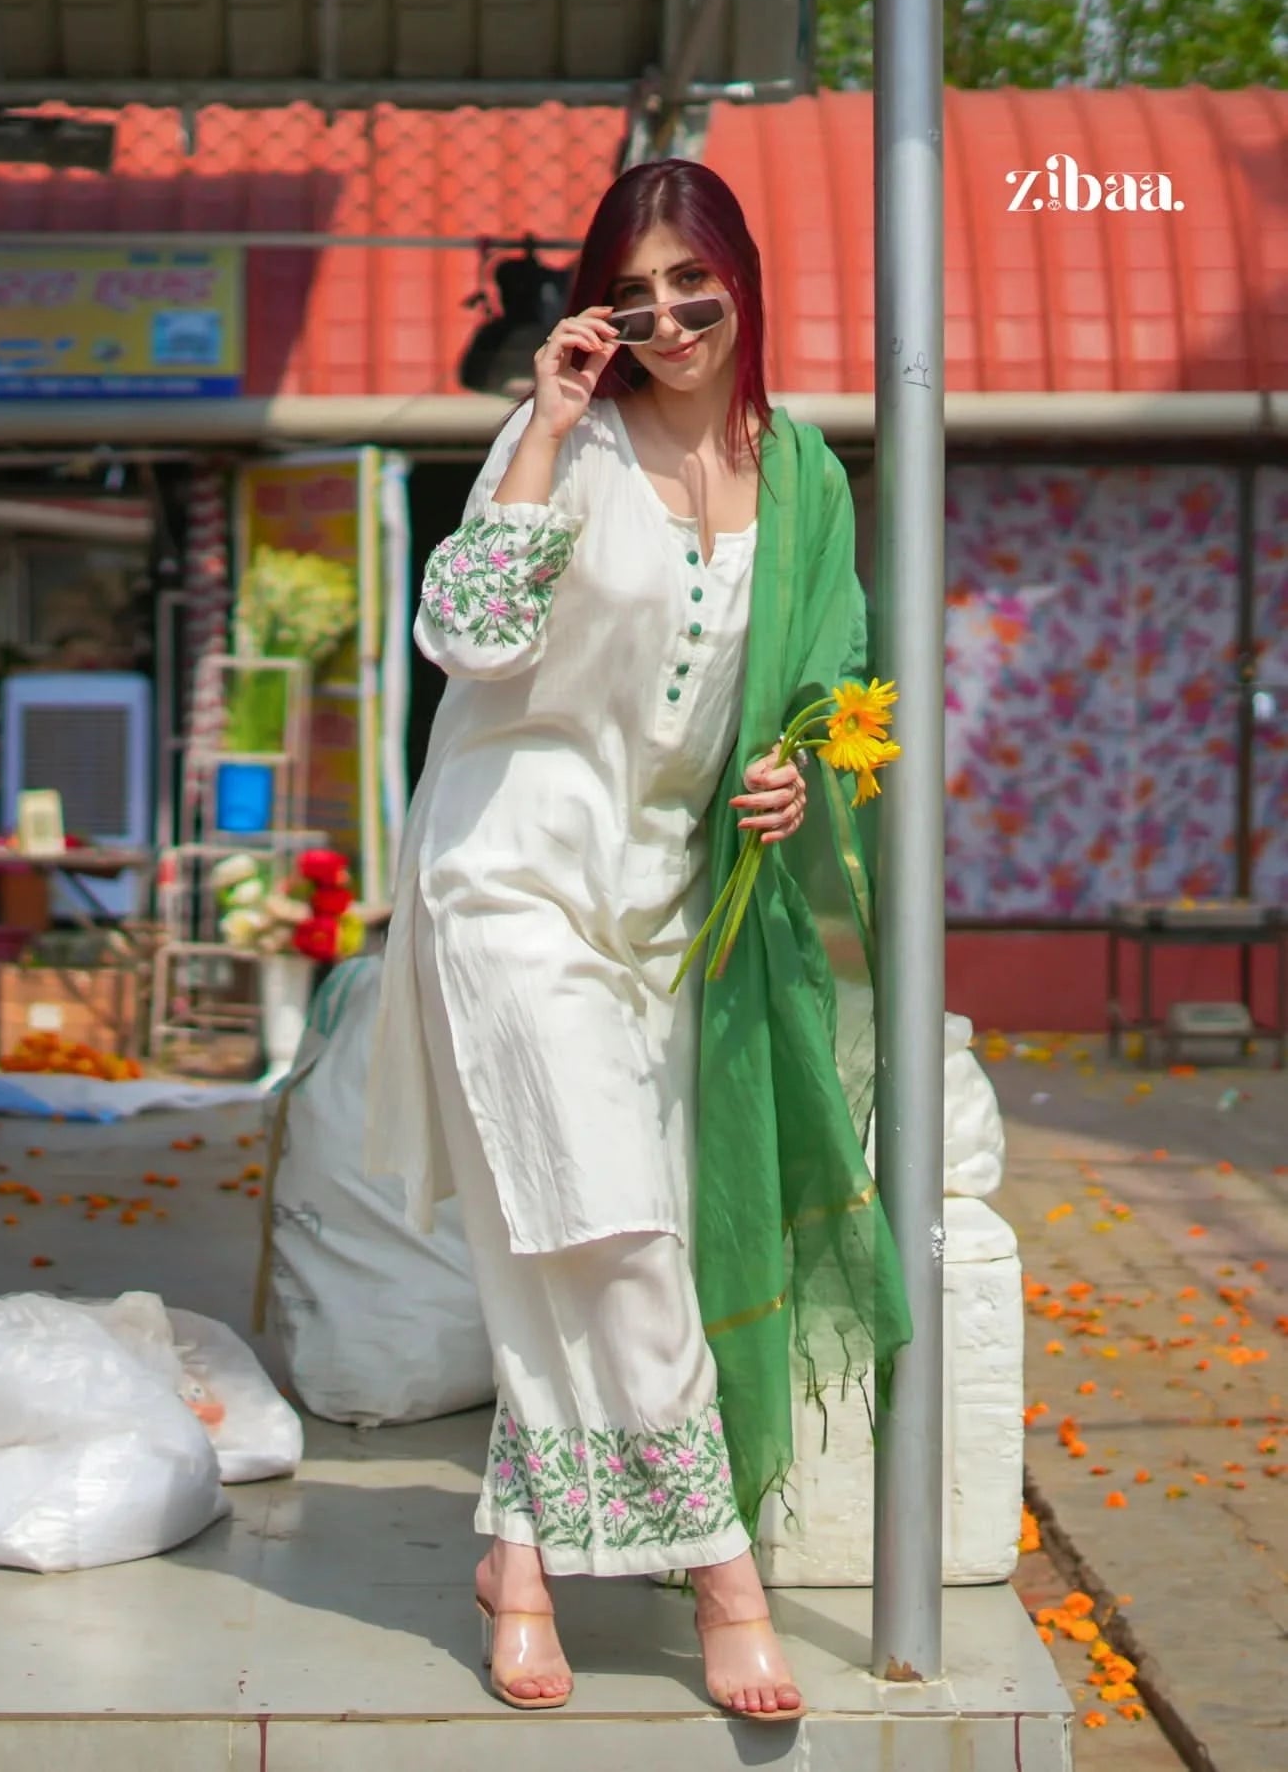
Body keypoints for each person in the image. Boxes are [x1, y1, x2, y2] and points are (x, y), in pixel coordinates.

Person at [366, 158, 910, 1723]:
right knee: (611, 1218)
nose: (670, 315)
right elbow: (466, 634)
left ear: (743, 278)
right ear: (600, 306)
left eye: (695, 282)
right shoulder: (567, 446)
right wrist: (540, 418)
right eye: (637, 289)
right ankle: (725, 1577)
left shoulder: (803, 473)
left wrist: (795, 776)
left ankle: (521, 1556)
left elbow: (826, 686)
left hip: (674, 906)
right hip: (508, 877)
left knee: (579, 1226)